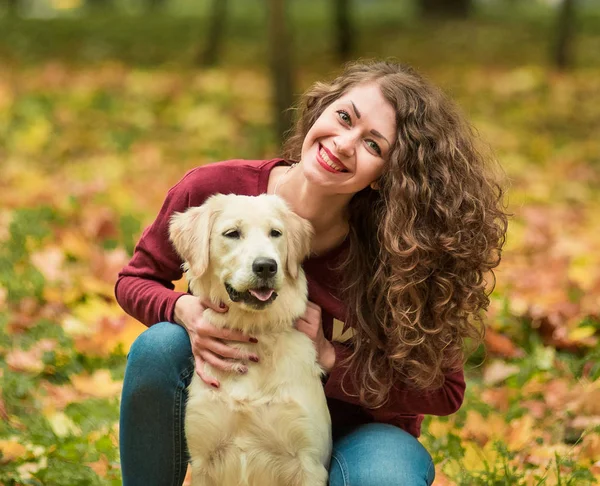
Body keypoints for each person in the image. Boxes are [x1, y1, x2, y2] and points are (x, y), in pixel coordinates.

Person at [115, 60, 508, 486]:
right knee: (159, 347)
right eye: (344, 117)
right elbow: (133, 280)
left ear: (388, 176)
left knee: (388, 474)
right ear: (321, 106)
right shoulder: (217, 190)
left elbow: (445, 390)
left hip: (356, 432)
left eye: (373, 145)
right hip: (226, 394)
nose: (343, 144)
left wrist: (330, 357)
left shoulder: (405, 248)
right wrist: (182, 308)